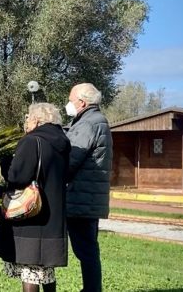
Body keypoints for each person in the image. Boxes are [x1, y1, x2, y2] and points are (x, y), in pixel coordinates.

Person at [0, 103, 71, 292]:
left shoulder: (31, 141)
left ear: (36, 119)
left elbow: (17, 176)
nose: (26, 122)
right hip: (53, 218)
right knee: (46, 271)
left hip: (31, 216)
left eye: (27, 117)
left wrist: (5, 163)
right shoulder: (62, 142)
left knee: (30, 269)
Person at [64, 83, 112, 292]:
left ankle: (92, 290)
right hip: (87, 197)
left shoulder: (88, 124)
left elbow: (71, 159)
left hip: (80, 197)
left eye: (71, 99)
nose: (68, 104)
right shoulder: (94, 120)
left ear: (82, 102)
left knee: (86, 250)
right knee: (88, 249)